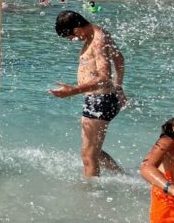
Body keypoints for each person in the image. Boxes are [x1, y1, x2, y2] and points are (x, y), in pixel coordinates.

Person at [50, 10, 127, 178]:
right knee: (94, 151)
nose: (74, 40)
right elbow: (119, 59)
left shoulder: (98, 40)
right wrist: (119, 88)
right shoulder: (99, 32)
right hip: (104, 99)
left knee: (88, 155)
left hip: (100, 100)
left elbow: (104, 78)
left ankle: (91, 195)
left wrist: (73, 91)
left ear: (77, 30)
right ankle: (123, 177)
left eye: (71, 37)